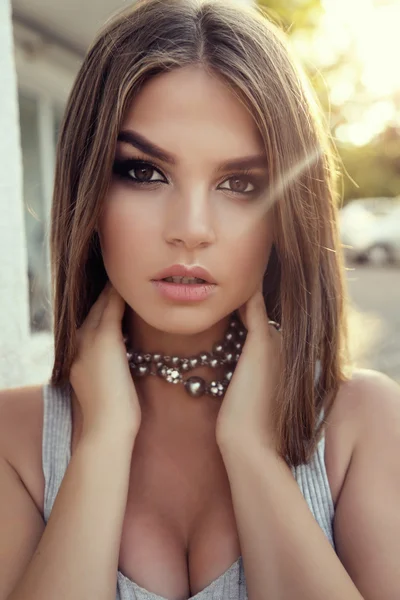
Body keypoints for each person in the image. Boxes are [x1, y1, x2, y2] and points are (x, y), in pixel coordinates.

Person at [1, 0, 399, 599]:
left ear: (288, 211)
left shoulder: (363, 424)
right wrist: (103, 439)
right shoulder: (15, 438)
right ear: (88, 185)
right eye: (144, 172)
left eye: (240, 184)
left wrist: (254, 455)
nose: (190, 227)